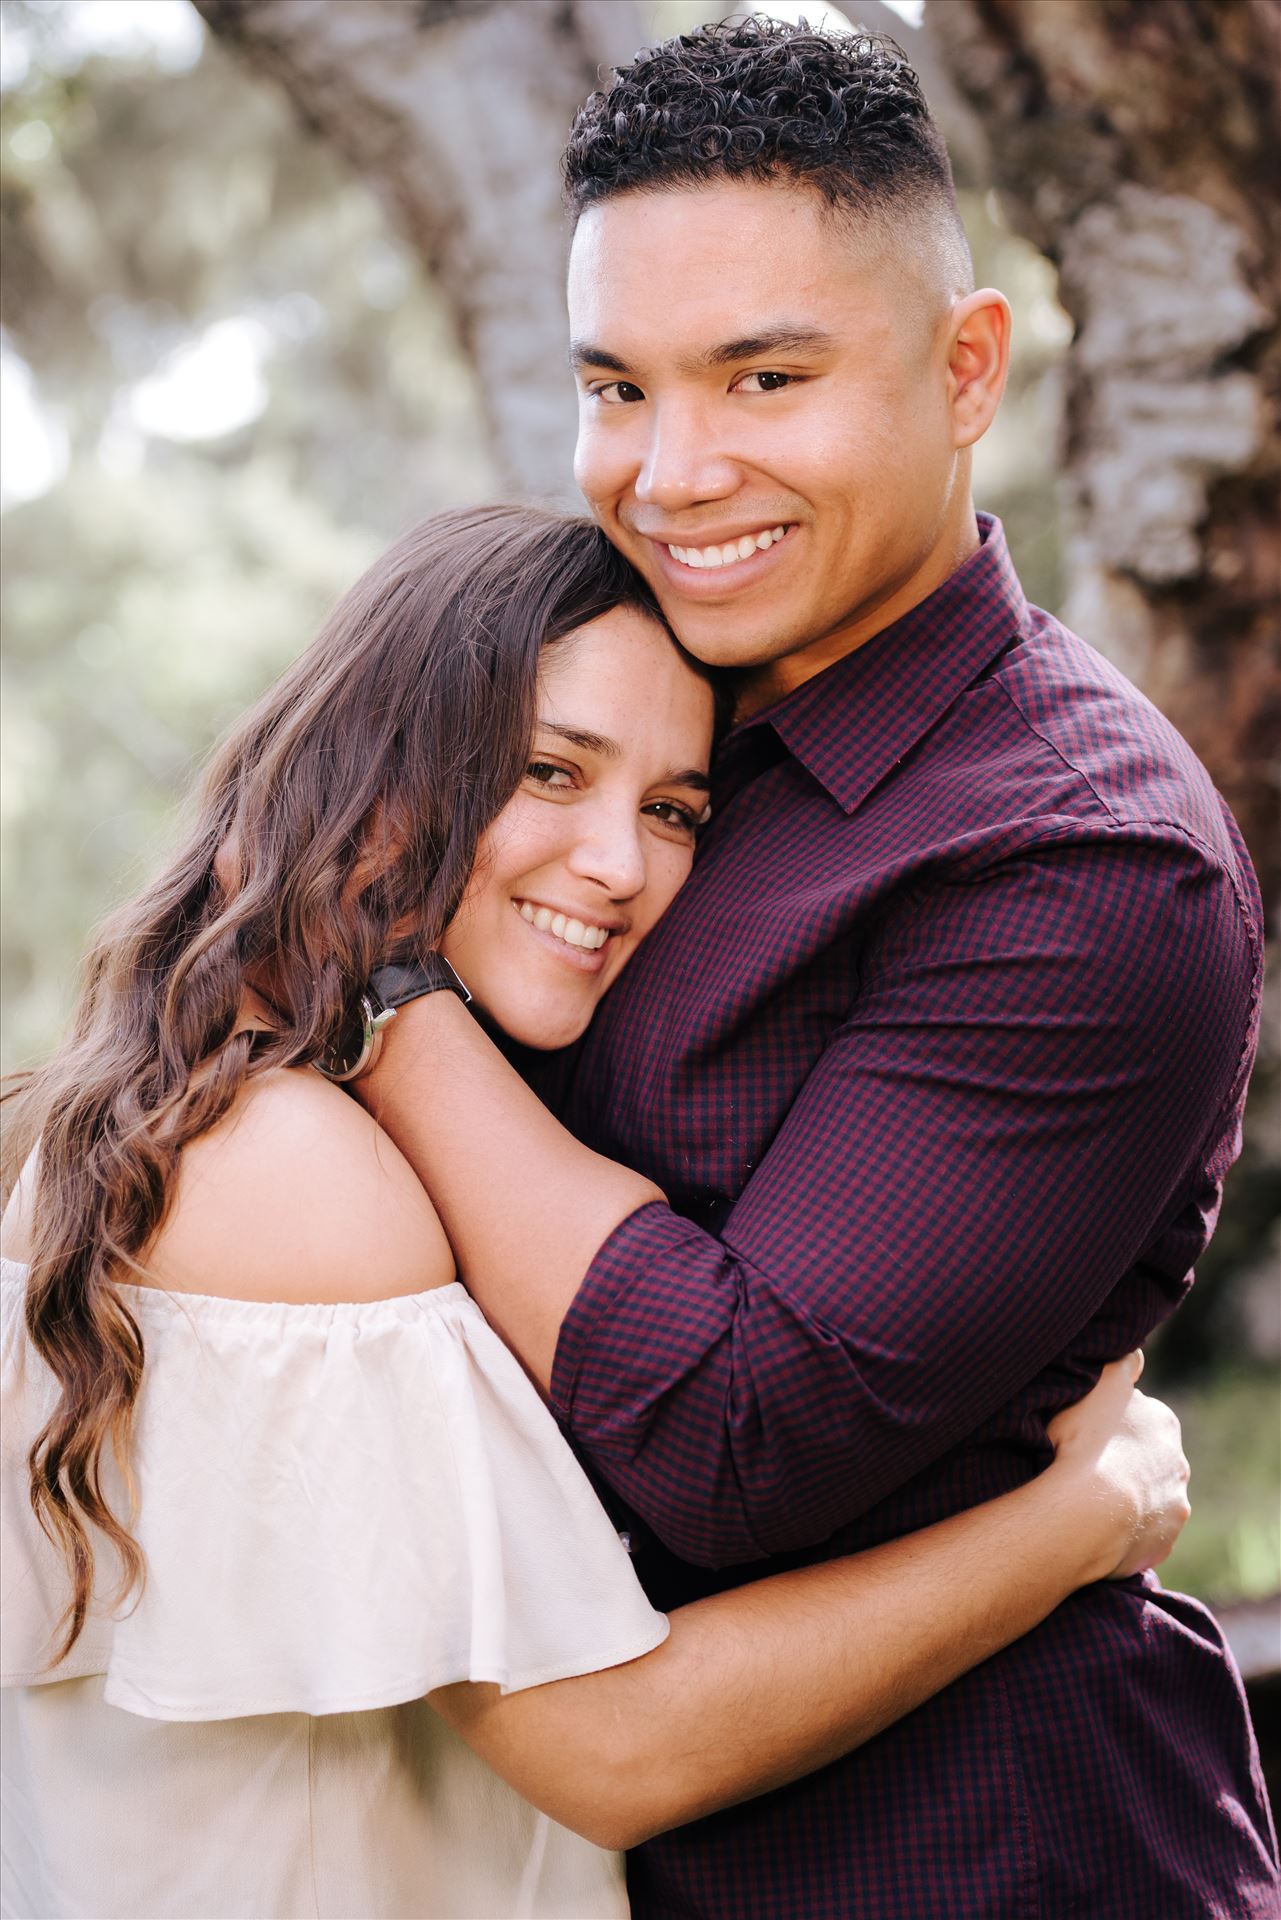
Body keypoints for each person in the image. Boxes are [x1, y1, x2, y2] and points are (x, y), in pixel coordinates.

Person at [345, 21, 1279, 1920]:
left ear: (964, 371)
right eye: (617, 386)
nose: (673, 473)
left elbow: (732, 1434)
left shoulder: (1080, 861)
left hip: (975, 1864)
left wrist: (377, 1003)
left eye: (763, 377)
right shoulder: (602, 725)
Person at [0, 506, 1190, 1920]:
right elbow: (616, 1746)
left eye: (673, 809)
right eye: (549, 772)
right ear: (375, 779)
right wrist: (1077, 1514)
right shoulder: (297, 1176)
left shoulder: (151, 1108)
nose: (620, 865)